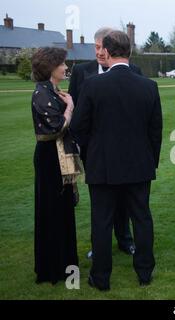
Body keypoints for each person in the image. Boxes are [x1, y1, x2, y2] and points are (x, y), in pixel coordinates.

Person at [70, 31, 162, 291]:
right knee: (141, 218)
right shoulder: (148, 85)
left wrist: (93, 152)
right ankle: (144, 273)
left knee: (102, 221)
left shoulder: (92, 85)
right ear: (129, 53)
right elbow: (155, 131)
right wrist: (150, 162)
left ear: (107, 53)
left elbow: (78, 127)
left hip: (103, 165)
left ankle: (101, 278)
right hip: (139, 165)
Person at [68, 27, 141, 257]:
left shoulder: (134, 70)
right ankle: (99, 246)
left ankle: (125, 239)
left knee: (124, 200)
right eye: (96, 47)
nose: (100, 52)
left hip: (127, 150)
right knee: (100, 203)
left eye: (103, 47)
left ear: (110, 49)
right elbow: (78, 113)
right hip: (95, 151)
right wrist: (84, 147)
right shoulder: (82, 72)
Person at [31, 47, 83, 284]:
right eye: (62, 64)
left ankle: (65, 263)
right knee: (51, 210)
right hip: (50, 158)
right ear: (51, 67)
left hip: (61, 154)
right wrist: (70, 107)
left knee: (63, 210)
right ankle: (51, 267)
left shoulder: (53, 92)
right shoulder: (41, 93)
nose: (66, 67)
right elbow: (56, 128)